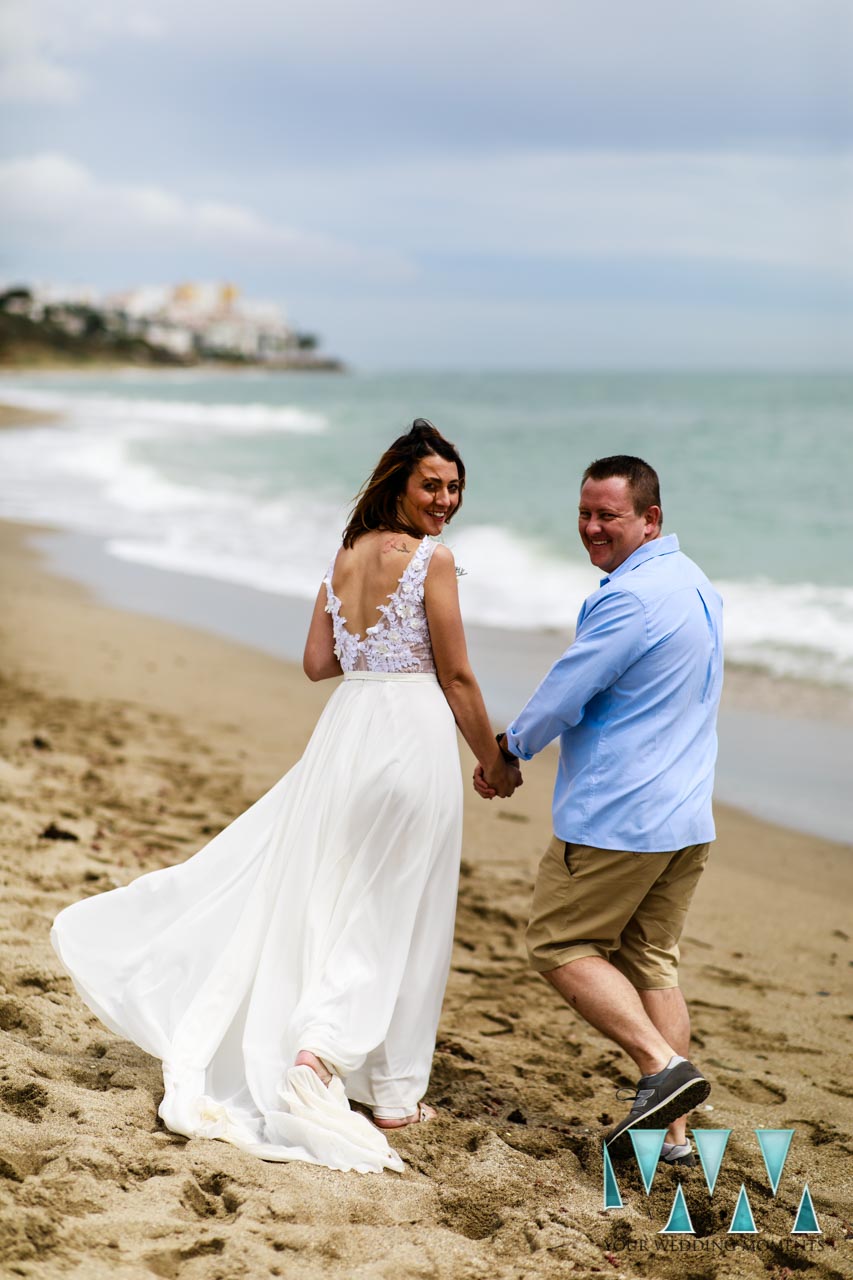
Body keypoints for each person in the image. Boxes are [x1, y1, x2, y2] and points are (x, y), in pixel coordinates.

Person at [51, 419, 520, 1174]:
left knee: (335, 894)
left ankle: (356, 1066)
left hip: (346, 734)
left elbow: (315, 662)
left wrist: (371, 645)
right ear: (398, 483)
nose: (445, 499)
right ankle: (357, 1074)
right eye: (432, 484)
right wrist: (493, 759)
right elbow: (458, 677)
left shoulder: (344, 556)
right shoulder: (432, 560)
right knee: (399, 905)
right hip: (408, 735)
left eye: (454, 487)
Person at [476, 455, 723, 1166]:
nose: (590, 527)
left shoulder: (630, 598)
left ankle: (660, 1066)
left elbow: (566, 689)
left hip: (620, 819)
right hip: (684, 818)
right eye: (584, 512)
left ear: (650, 519)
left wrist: (509, 750)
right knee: (650, 964)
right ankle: (672, 1138)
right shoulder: (696, 583)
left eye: (607, 515)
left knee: (557, 943)